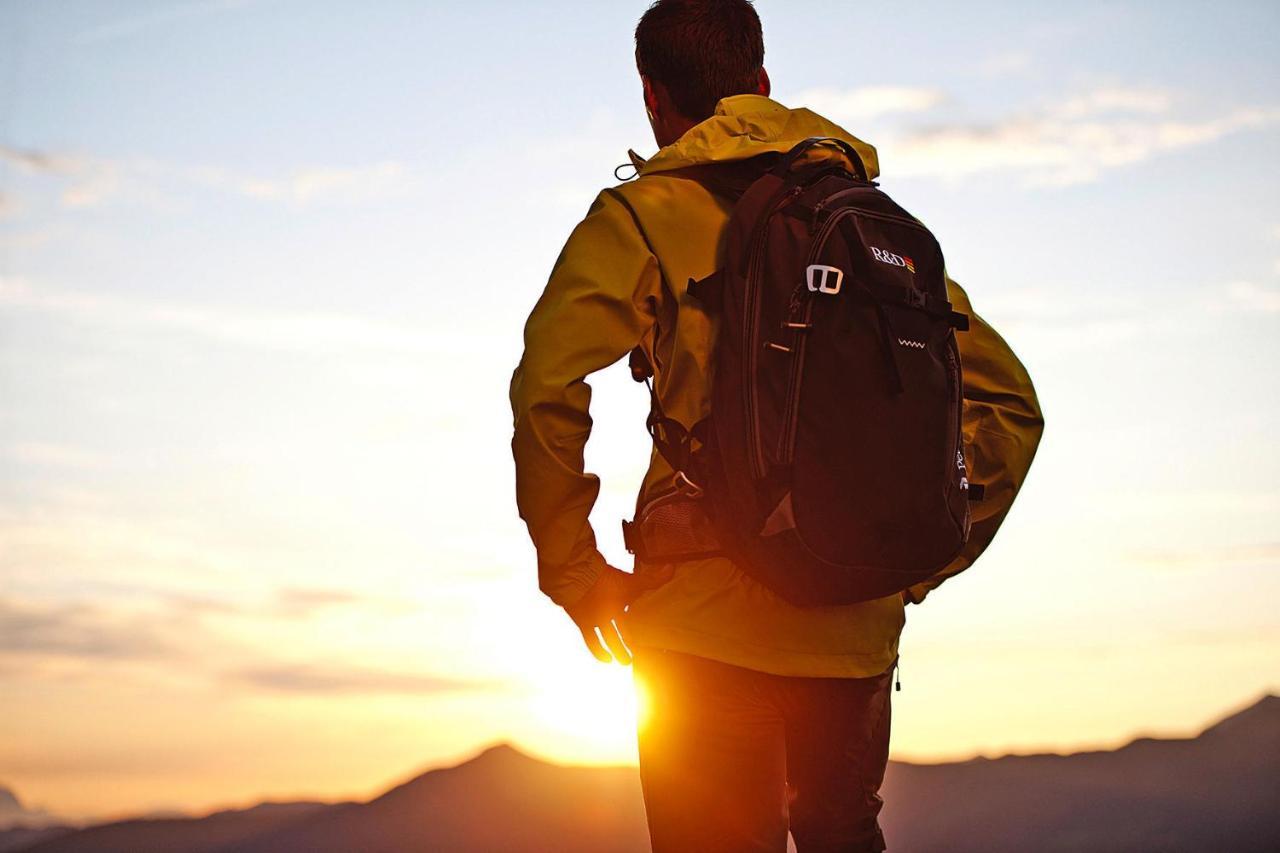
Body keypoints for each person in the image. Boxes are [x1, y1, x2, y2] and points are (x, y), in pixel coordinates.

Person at [509, 1, 1044, 850]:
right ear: (761, 81)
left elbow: (547, 383)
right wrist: (918, 555)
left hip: (697, 626)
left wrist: (576, 573)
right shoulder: (866, 223)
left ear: (652, 96)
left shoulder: (645, 216)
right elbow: (1011, 404)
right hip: (853, 629)